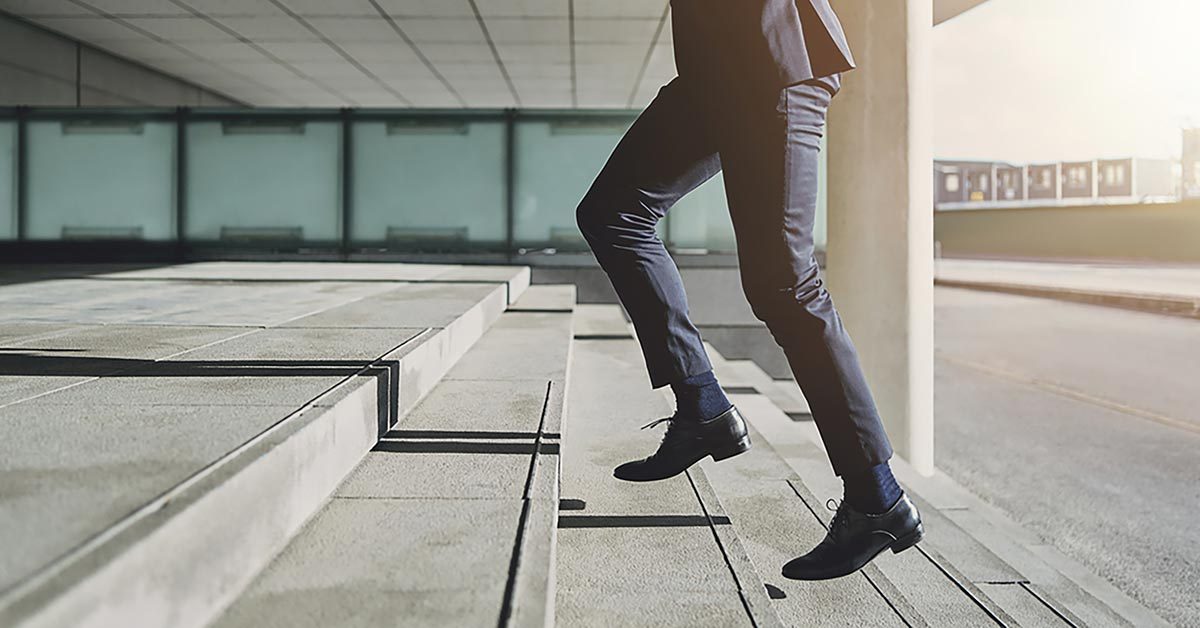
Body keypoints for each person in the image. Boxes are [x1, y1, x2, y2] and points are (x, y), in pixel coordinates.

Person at [575, 0, 924, 580]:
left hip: (776, 58)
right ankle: (702, 407)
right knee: (612, 212)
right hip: (716, 73)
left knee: (784, 284)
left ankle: (877, 497)